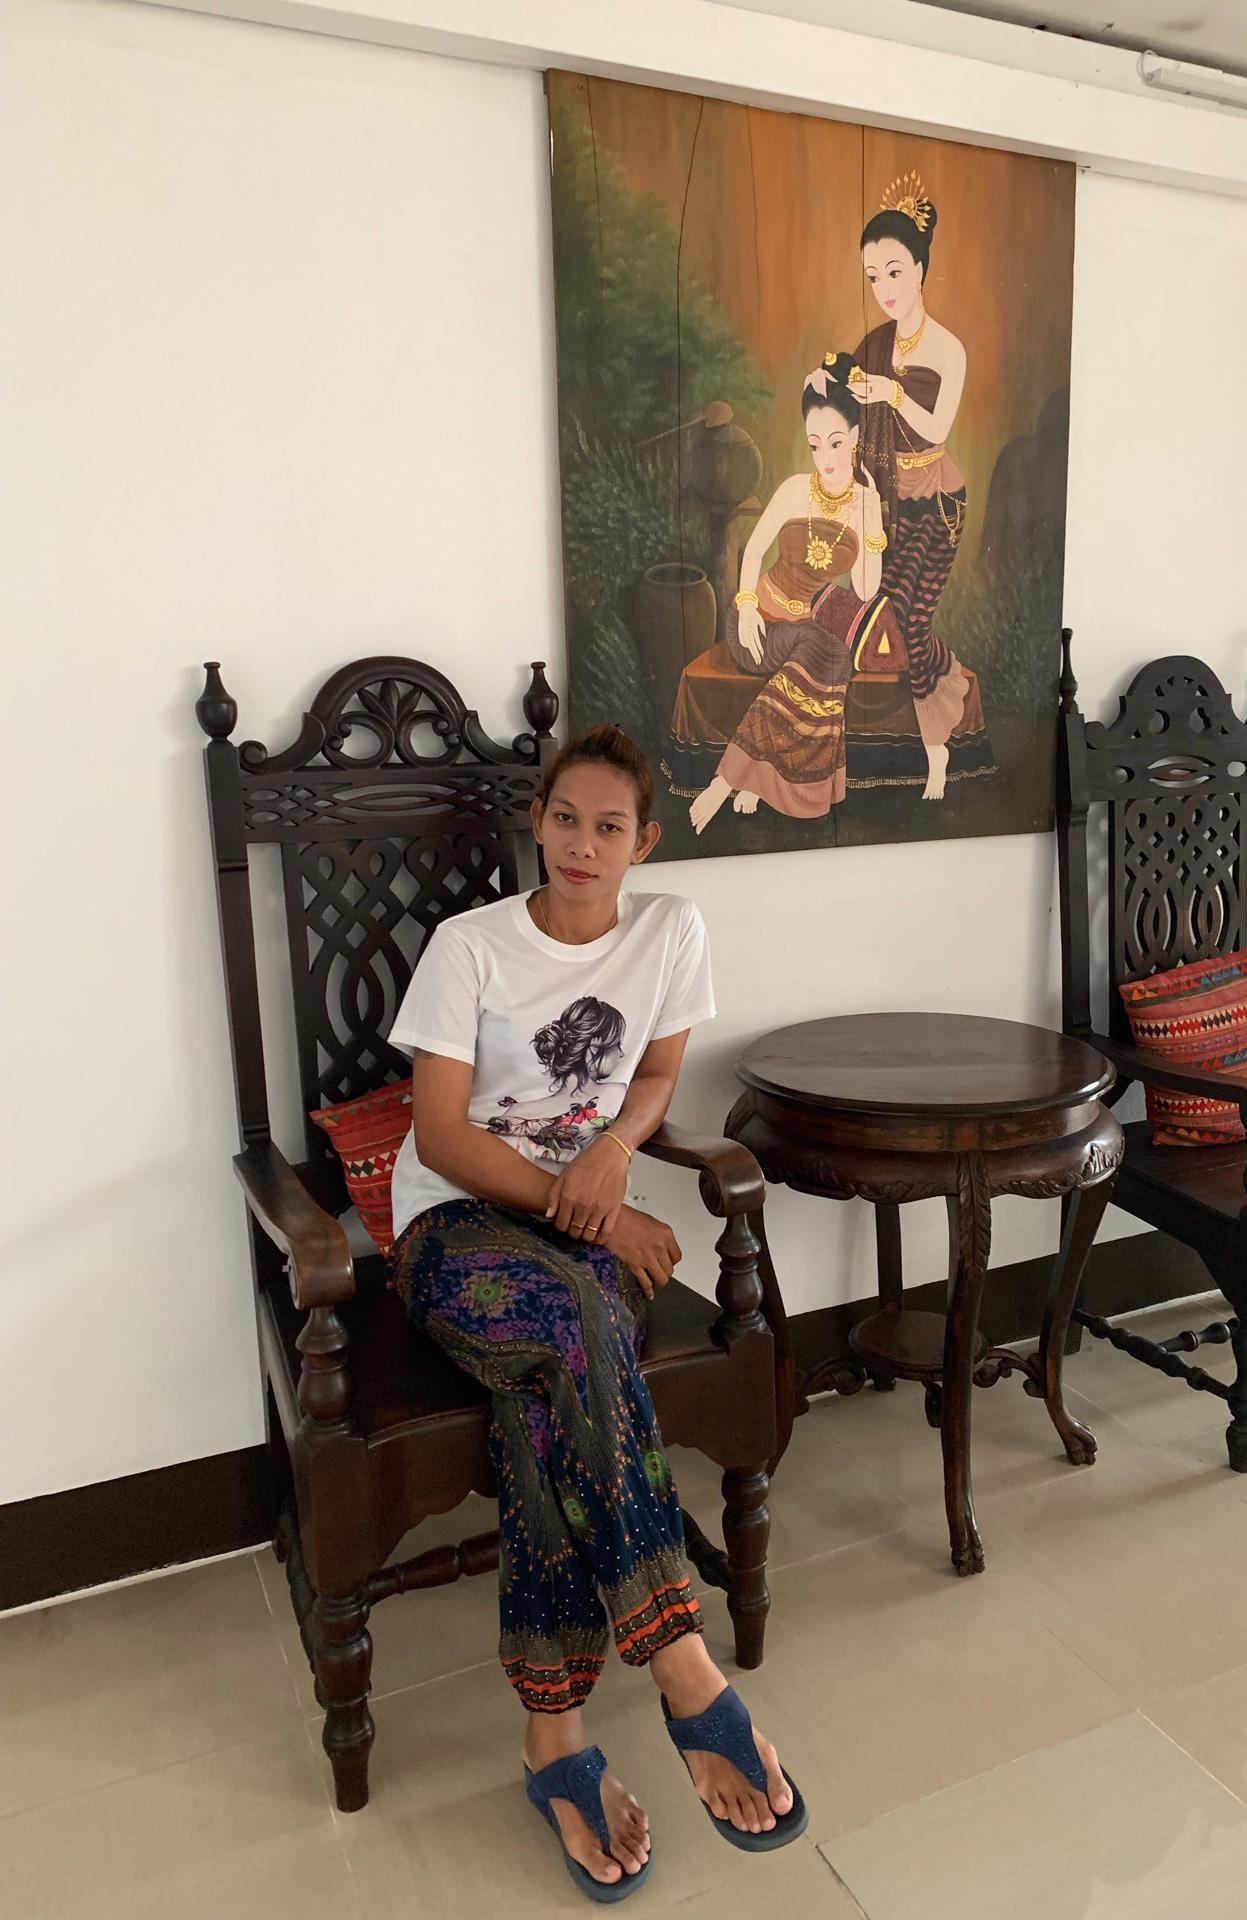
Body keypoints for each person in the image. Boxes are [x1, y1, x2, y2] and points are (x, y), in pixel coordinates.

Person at [387, 723, 805, 1900]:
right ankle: (678, 1657)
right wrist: (605, 1221)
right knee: (579, 1313)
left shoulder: (670, 932)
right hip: (454, 1235)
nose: (581, 843)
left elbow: (658, 1075)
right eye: (564, 817)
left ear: (644, 840)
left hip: (578, 1240)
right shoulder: (470, 948)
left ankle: (555, 1740)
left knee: (548, 1385)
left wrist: (614, 1155)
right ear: (537, 820)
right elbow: (440, 1136)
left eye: (608, 826)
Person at [688, 351, 904, 833]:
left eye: (835, 443)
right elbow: (753, 550)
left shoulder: (865, 503)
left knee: (830, 651)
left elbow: (866, 589)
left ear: (855, 437)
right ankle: (727, 782)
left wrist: (872, 523)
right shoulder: (793, 489)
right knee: (823, 650)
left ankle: (752, 780)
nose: (825, 458)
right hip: (757, 627)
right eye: (814, 445)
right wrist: (746, 607)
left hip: (805, 633)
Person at [839, 170, 986, 798]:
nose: (884, 290)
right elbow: (847, 413)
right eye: (873, 277)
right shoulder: (874, 345)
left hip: (935, 503)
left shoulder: (949, 350)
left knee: (908, 617)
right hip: (884, 500)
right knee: (880, 615)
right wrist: (836, 388)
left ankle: (936, 754)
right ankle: (947, 687)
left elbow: (936, 428)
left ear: (921, 269)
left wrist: (892, 393)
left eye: (895, 272)